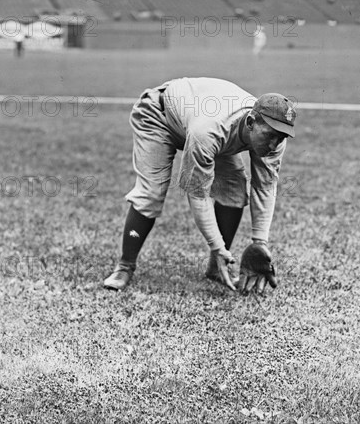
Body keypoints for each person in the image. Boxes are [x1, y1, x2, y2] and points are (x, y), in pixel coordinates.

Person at [103, 77, 296, 293]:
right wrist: (217, 244)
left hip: (198, 123)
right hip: (159, 115)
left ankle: (217, 266)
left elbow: (265, 187)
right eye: (270, 135)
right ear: (250, 122)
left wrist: (260, 242)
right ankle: (125, 266)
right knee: (152, 192)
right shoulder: (210, 129)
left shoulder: (275, 139)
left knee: (233, 188)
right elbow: (198, 194)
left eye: (280, 137)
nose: (274, 144)